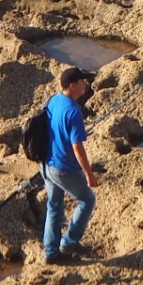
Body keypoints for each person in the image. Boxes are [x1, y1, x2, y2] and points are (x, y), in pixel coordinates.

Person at [41, 66, 99, 265]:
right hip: (64, 169)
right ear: (72, 86)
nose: (86, 84)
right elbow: (78, 148)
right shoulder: (73, 112)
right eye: (83, 81)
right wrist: (89, 174)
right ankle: (69, 242)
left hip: (47, 165)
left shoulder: (53, 100)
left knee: (54, 207)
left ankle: (50, 252)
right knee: (87, 200)